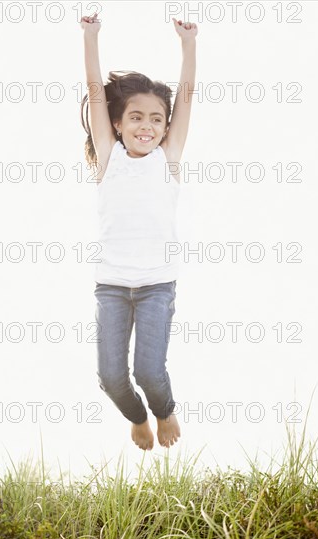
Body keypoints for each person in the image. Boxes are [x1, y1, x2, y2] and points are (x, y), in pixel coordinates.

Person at [80, 12, 197, 450]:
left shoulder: (168, 160)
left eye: (156, 119)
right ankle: (137, 417)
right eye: (136, 118)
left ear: (165, 127)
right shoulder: (110, 159)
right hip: (111, 286)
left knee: (149, 371)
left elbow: (186, 99)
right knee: (111, 378)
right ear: (117, 124)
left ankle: (164, 410)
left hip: (155, 286)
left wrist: (189, 47)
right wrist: (91, 37)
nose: (146, 126)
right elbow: (95, 94)